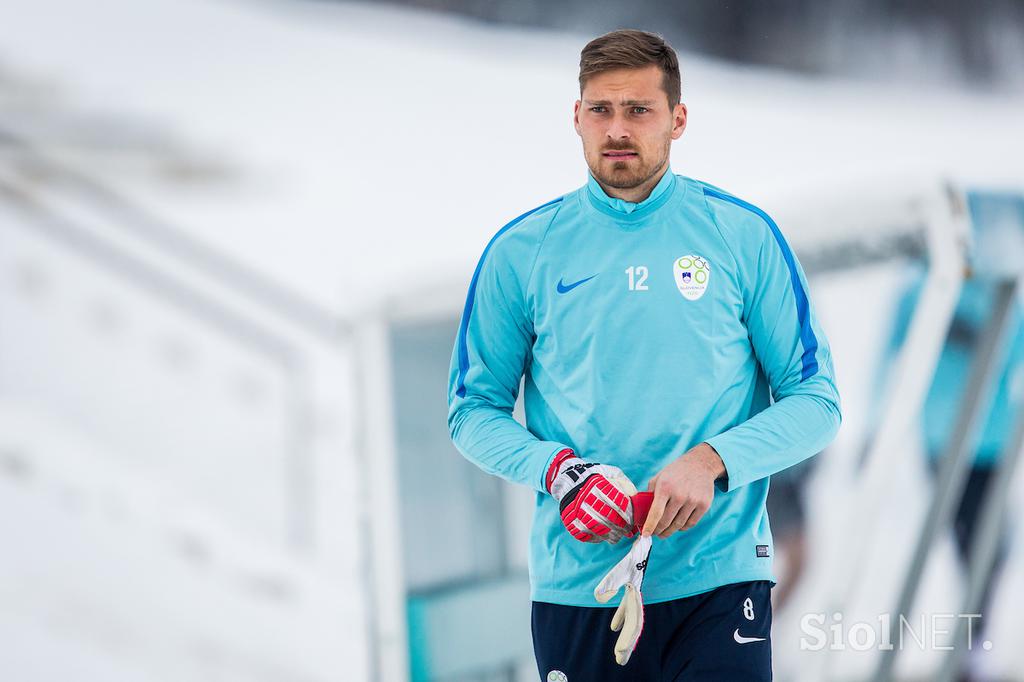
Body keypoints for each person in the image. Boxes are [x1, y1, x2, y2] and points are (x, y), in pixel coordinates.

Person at [446, 29, 841, 681]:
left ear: (678, 119)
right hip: (580, 590)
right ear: (576, 117)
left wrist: (712, 462)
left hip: (721, 582)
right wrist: (561, 472)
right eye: (601, 109)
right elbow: (471, 413)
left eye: (639, 109)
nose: (617, 128)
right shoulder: (523, 252)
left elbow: (816, 401)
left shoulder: (742, 236)